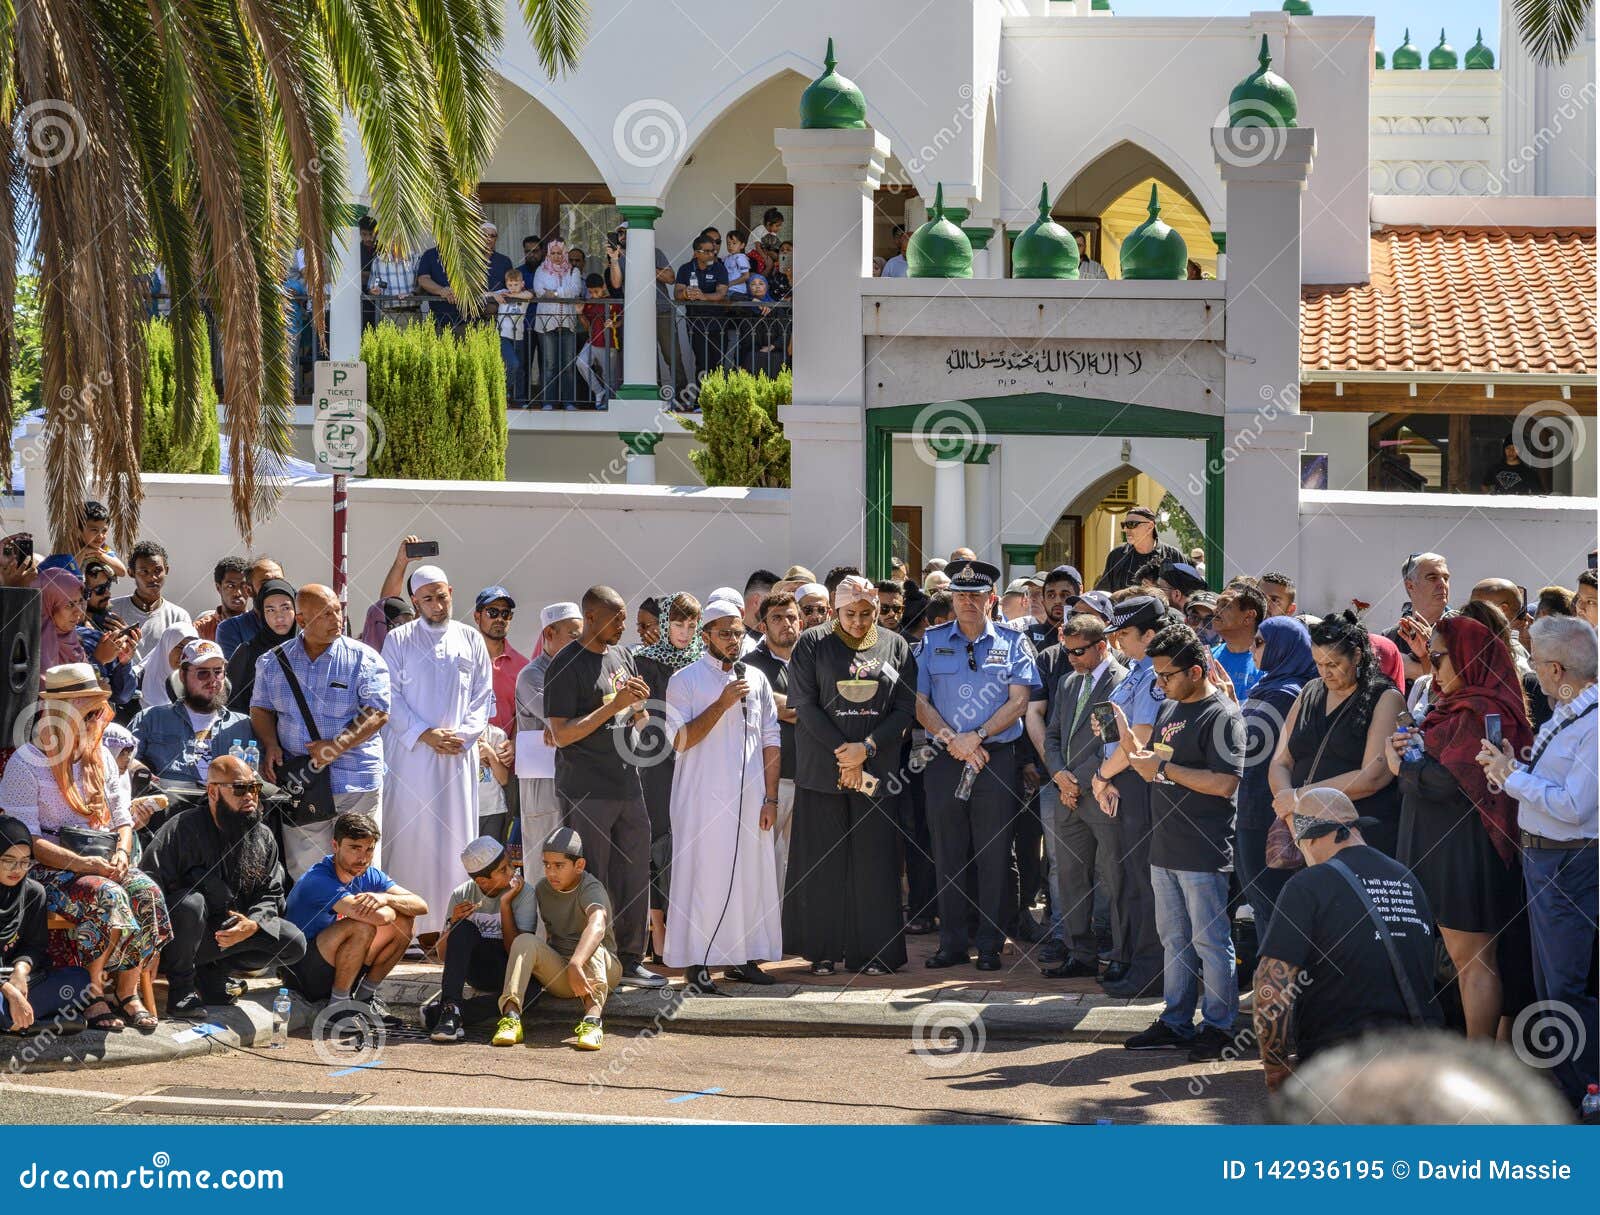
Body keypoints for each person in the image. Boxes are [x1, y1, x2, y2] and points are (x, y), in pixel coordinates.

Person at [0, 665, 170, 1032]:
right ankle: (92, 994)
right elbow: (25, 839)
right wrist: (80, 863)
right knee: (107, 896)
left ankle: (127, 992)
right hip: (48, 868)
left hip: (103, 856)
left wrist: (123, 854)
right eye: (88, 711)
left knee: (148, 893)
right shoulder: (26, 763)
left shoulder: (102, 757)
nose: (97, 718)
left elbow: (122, 819)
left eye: (98, 710)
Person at [1386, 613, 1531, 1040]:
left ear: (1468, 656)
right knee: (1467, 961)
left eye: (1439, 657)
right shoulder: (1455, 703)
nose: (1432, 667)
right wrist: (1408, 746)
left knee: (1474, 962)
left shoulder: (1483, 708)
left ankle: (1479, 1068)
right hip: (1442, 849)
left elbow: (1443, 780)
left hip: (1465, 854)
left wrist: (1400, 760)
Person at [1477, 614, 1597, 1104]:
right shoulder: (1573, 711)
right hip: (1549, 860)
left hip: (1569, 862)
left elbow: (1574, 806)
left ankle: (1586, 1085)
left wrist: (1512, 776)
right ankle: (1573, 1084)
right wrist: (1517, 766)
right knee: (1552, 982)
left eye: (1537, 660)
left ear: (1554, 669)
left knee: (1565, 983)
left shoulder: (1591, 720)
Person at [1253, 789, 1442, 1092]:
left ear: (1310, 837)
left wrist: (1275, 1066)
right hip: (1416, 1057)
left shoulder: (1306, 885)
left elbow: (1270, 987)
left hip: (1339, 1065)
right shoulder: (1407, 878)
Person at [1117, 625, 1244, 1062]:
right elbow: (1160, 762)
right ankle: (1175, 1021)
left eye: (1166, 675)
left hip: (1203, 848)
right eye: (1156, 676)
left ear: (1195, 670)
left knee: (1210, 941)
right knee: (1175, 939)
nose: (1160, 685)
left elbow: (1225, 782)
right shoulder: (1171, 705)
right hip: (1166, 845)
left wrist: (1162, 771)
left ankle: (1219, 1026)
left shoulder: (1222, 715)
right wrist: (1134, 748)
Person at [785, 577, 916, 976]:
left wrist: (868, 749)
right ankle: (822, 951)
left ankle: (876, 951)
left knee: (874, 862)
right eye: (849, 614)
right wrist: (845, 754)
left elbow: (904, 710)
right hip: (823, 768)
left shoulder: (896, 646)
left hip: (876, 768)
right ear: (833, 612)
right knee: (823, 861)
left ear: (877, 610)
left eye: (866, 614)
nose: (858, 622)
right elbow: (804, 706)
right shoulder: (811, 644)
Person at [915, 561, 1038, 971]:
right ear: (951, 599)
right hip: (945, 758)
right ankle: (952, 943)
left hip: (995, 757)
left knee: (994, 853)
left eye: (976, 594)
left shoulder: (1012, 642)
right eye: (961, 595)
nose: (968, 601)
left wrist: (978, 736)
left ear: (992, 599)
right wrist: (954, 741)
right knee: (948, 851)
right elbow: (919, 702)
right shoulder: (931, 642)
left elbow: (1019, 700)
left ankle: (989, 943)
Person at [543, 586, 663, 989]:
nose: (624, 626)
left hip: (628, 782)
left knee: (634, 871)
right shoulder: (565, 664)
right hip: (586, 787)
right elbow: (560, 734)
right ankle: (598, 958)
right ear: (591, 617)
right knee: (595, 874)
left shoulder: (622, 654)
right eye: (617, 619)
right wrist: (613, 707)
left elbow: (632, 710)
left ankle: (631, 959)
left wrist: (639, 705)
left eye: (625, 618)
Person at [663, 601, 783, 991]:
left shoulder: (758, 679)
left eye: (739, 633)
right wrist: (722, 704)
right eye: (725, 633)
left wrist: (771, 798)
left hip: (751, 800)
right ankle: (696, 962)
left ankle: (742, 957)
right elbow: (680, 740)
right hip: (701, 800)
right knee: (702, 877)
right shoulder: (685, 680)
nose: (734, 641)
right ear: (705, 637)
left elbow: (770, 739)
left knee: (750, 876)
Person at [142, 754, 306, 1017]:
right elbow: (149, 883)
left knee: (292, 941)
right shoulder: (182, 828)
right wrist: (149, 943)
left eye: (255, 788)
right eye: (240, 789)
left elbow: (272, 892)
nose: (250, 796)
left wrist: (253, 923)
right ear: (213, 791)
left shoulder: (262, 835)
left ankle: (214, 975)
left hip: (229, 936)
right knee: (190, 903)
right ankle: (181, 991)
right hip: (180, 938)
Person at [381, 566, 494, 942]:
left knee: (456, 841)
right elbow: (390, 697)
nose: (436, 604)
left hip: (457, 757)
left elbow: (482, 695)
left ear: (451, 591)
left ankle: (453, 928)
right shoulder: (398, 640)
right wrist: (425, 734)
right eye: (427, 598)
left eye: (441, 596)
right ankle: (407, 931)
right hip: (412, 757)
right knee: (410, 836)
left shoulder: (470, 638)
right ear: (415, 600)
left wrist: (463, 735)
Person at [251, 585, 390, 879]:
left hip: (355, 780)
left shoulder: (364, 658)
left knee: (357, 866)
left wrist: (337, 745)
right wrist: (270, 744)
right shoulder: (272, 662)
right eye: (326, 614)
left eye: (337, 610)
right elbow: (260, 708)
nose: (336, 618)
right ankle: (314, 926)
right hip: (304, 782)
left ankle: (358, 925)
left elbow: (377, 713)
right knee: (307, 870)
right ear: (301, 621)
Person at [1269, 613, 1404, 858]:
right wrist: (1288, 810)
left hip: (1357, 835)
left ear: (1357, 656)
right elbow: (1280, 761)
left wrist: (1300, 798)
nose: (1325, 673)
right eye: (1318, 664)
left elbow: (1372, 777)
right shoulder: (1310, 691)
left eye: (1333, 664)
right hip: (1302, 831)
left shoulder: (1385, 697)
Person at [1042, 614, 1126, 979]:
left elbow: (1112, 743)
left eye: (1079, 651)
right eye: (1067, 650)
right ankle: (1080, 953)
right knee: (1071, 876)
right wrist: (1060, 776)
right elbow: (1053, 736)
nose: (1072, 657)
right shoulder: (1066, 683)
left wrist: (1077, 779)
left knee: (1114, 876)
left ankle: (1122, 955)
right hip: (1068, 794)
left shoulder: (1120, 682)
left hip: (1102, 793)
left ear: (1102, 646)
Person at [1092, 594, 1168, 997]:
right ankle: (1139, 962)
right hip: (1125, 778)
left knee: (1144, 879)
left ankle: (1151, 970)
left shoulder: (1155, 676)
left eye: (1125, 633)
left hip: (1139, 779)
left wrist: (1103, 775)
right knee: (1133, 877)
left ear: (1151, 634)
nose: (1118, 641)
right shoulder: (1138, 670)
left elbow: (1140, 737)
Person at [282, 811, 427, 1014]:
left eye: (369, 849)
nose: (362, 857)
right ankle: (338, 1006)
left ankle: (364, 998)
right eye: (354, 848)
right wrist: (389, 907)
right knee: (362, 926)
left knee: (405, 922)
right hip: (301, 972)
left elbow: (421, 905)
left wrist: (386, 898)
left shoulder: (369, 873)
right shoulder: (318, 879)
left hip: (341, 964)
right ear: (335, 846)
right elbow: (381, 917)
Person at [492, 827, 620, 1051]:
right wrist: (505, 904)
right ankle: (511, 1019)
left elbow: (598, 924)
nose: (551, 872)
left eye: (559, 866)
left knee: (592, 946)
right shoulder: (542, 889)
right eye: (546, 865)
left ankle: (592, 1022)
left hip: (603, 969)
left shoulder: (591, 887)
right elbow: (520, 945)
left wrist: (576, 962)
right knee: (524, 941)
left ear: (579, 865)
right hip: (562, 973)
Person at [1233, 616, 1317, 937]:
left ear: (1283, 647)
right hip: (1249, 805)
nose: (1252, 649)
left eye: (1259, 642)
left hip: (1266, 812)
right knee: (1261, 902)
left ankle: (1282, 983)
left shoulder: (1286, 694)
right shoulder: (1268, 686)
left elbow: (1257, 752)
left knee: (1272, 902)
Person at [631, 593, 701, 959]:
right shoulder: (642, 661)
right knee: (659, 841)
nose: (684, 633)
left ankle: (686, 928)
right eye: (677, 624)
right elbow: (637, 712)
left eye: (691, 625)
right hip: (656, 760)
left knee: (689, 839)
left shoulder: (701, 661)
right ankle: (658, 932)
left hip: (694, 758)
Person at [425, 835, 540, 1044]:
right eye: (503, 870)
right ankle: (450, 1008)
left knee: (534, 990)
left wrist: (505, 905)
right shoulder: (462, 894)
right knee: (462, 929)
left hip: (509, 968)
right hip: (477, 970)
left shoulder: (524, 893)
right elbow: (442, 955)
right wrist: (453, 922)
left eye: (510, 865)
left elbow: (517, 949)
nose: (512, 872)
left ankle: (442, 1015)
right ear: (482, 881)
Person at [0, 817, 92, 1034]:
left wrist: (21, 972)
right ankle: (33, 1024)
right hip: (5, 987)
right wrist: (10, 991)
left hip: (20, 979)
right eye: (8, 860)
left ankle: (15, 1022)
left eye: (25, 861)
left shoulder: (33, 892)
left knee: (80, 980)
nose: (17, 869)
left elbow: (34, 946)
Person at [515, 602, 583, 872]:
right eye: (574, 637)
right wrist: (560, 723)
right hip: (543, 783)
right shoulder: (532, 675)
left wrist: (562, 723)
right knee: (545, 861)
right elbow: (564, 724)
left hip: (576, 778)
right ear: (550, 634)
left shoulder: (580, 672)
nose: (580, 644)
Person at [131, 639, 253, 786]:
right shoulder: (150, 718)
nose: (213, 680)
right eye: (203, 673)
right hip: (169, 802)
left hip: (227, 803)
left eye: (218, 672)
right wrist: (138, 771)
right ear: (183, 675)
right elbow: (122, 760)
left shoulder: (244, 724)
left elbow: (258, 776)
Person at [744, 591, 801, 894]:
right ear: (763, 626)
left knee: (797, 865)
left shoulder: (811, 659)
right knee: (765, 862)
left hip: (808, 778)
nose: (786, 624)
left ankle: (790, 937)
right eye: (777, 618)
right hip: (769, 785)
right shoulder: (749, 665)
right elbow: (775, 708)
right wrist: (812, 709)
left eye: (791, 617)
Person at [111, 540, 191, 693]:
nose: (152, 577)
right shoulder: (114, 610)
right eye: (144, 572)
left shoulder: (179, 617)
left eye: (157, 570)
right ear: (131, 572)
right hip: (121, 692)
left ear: (166, 570)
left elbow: (184, 661)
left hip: (164, 696)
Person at [416, 221, 512, 331]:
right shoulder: (430, 255)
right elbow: (423, 279)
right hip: (439, 318)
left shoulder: (465, 255)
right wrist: (442, 290)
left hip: (470, 320)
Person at [225, 577, 297, 713]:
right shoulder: (248, 652)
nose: (279, 617)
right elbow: (232, 704)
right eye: (270, 610)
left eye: (286, 608)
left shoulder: (310, 648)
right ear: (262, 614)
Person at [531, 239, 585, 409]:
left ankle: (569, 401)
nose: (556, 256)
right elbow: (539, 291)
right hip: (546, 323)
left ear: (564, 254)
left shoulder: (573, 271)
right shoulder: (541, 270)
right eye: (553, 253)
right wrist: (561, 293)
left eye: (559, 253)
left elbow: (575, 291)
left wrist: (553, 292)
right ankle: (548, 401)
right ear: (548, 254)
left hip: (568, 322)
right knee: (549, 365)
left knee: (568, 365)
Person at [1385, 552, 1450, 684]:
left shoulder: (1463, 631)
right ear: (1410, 585)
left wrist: (1413, 669)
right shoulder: (1390, 638)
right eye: (1432, 578)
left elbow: (1469, 680)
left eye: (1446, 578)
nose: (1442, 584)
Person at [676, 233, 729, 379]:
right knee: (702, 363)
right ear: (696, 253)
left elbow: (721, 293)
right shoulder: (685, 269)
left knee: (717, 364)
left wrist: (703, 296)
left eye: (713, 251)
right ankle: (701, 401)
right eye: (707, 251)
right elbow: (677, 293)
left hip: (718, 322)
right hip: (695, 323)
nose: (712, 254)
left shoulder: (720, 268)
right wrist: (686, 293)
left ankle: (716, 400)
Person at [1094, 507, 1183, 593]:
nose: (1125, 529)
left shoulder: (1173, 555)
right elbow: (1104, 592)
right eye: (1124, 525)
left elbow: (1185, 592)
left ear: (1150, 526)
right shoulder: (1116, 555)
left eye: (1131, 524)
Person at [215, 556, 285, 659]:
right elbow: (238, 673)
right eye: (265, 583)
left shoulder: (301, 624)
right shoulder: (230, 629)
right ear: (249, 590)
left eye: (279, 581)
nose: (274, 587)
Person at [1210, 584, 1266, 699]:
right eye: (1217, 604)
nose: (1214, 610)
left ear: (1249, 616)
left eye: (1225, 605)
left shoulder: (1269, 663)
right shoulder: (1209, 657)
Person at [139, 619, 199, 710]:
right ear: (167, 646)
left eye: (190, 648)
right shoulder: (134, 678)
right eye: (180, 647)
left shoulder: (197, 685)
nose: (185, 655)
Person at [191, 557, 252, 643]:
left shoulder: (259, 625)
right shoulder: (200, 629)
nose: (238, 593)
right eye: (230, 586)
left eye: (243, 586)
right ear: (218, 588)